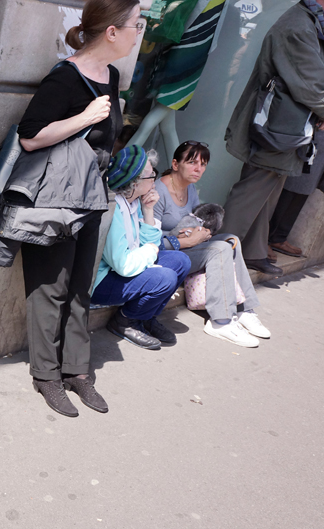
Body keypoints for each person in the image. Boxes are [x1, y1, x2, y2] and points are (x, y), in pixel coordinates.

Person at [15, 0, 139, 417]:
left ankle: (77, 370)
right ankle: (46, 375)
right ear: (112, 32)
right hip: (57, 196)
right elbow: (29, 137)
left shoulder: (113, 76)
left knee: (80, 284)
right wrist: (85, 116)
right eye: (136, 25)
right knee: (51, 284)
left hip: (93, 195)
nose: (140, 32)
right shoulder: (65, 78)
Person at [220, 0, 324, 276]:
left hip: (284, 122)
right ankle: (217, 255)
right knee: (255, 187)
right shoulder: (299, 26)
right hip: (276, 123)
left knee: (268, 187)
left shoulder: (307, 22)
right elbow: (312, 86)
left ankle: (252, 252)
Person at [154, 141, 271, 347]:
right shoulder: (158, 191)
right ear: (175, 164)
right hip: (165, 254)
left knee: (231, 240)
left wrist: (204, 232)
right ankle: (221, 321)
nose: (198, 169)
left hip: (188, 248)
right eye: (191, 162)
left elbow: (197, 219)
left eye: (203, 164)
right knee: (220, 249)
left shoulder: (190, 189)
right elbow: (148, 239)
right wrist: (184, 240)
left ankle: (244, 309)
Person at [91, 146, 191, 351]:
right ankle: (126, 321)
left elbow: (148, 243)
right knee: (165, 278)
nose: (155, 176)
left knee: (181, 262)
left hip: (126, 265)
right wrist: (151, 251)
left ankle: (146, 316)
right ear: (134, 183)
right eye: (150, 174)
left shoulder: (135, 201)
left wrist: (148, 210)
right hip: (101, 282)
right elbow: (123, 265)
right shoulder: (114, 210)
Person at [268, 130, 324, 257]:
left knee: (306, 186)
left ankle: (279, 237)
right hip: (311, 132)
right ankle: (267, 238)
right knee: (292, 184)